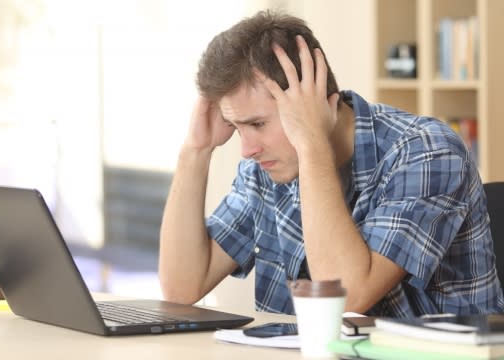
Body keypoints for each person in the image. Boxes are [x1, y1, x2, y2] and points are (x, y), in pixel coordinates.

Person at [158, 10, 504, 317]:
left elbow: (345, 298)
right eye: (237, 127)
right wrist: (196, 150)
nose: (246, 150)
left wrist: (311, 143)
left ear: (318, 100)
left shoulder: (426, 151)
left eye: (258, 124)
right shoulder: (267, 169)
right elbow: (182, 289)